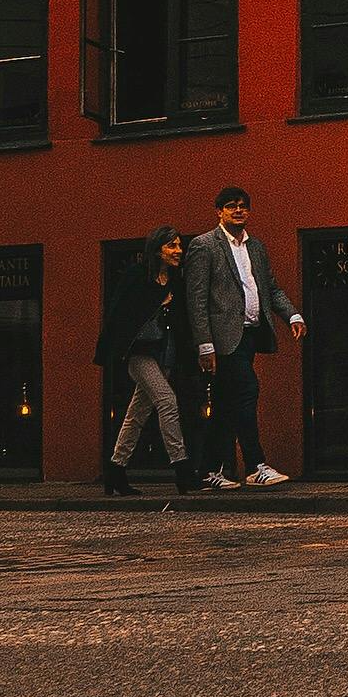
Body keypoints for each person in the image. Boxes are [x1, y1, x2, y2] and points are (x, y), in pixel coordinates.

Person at [182, 183, 305, 487]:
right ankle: (255, 465)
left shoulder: (256, 247)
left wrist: (292, 315)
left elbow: (270, 288)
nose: (238, 211)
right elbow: (196, 299)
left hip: (249, 335)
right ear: (219, 212)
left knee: (226, 404)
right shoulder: (204, 245)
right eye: (231, 206)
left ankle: (209, 472)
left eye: (243, 206)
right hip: (222, 340)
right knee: (247, 391)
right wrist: (205, 344)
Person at [96, 226, 202, 498]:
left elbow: (181, 322)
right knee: (168, 402)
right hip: (139, 354)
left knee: (137, 414)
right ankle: (182, 469)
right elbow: (120, 313)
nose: (178, 251)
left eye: (179, 245)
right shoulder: (137, 276)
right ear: (157, 250)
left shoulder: (175, 280)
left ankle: (116, 469)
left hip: (165, 354)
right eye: (172, 246)